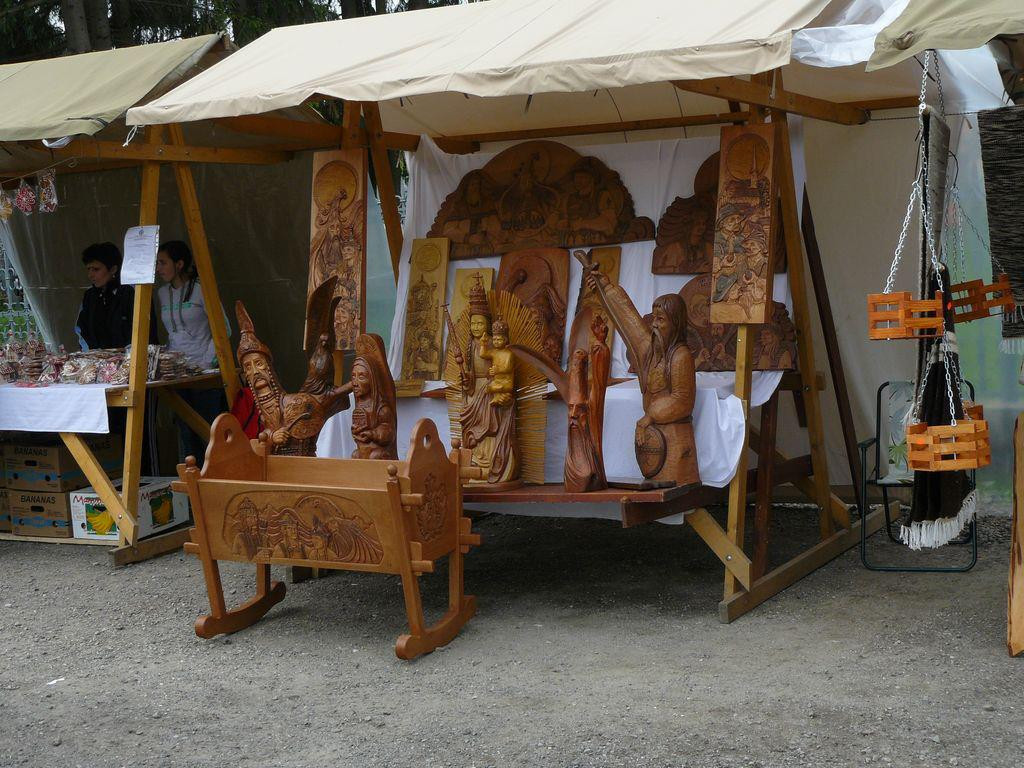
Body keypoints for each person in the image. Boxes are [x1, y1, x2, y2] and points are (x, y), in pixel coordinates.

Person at [154, 240, 229, 461]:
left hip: (205, 374)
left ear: (179, 264)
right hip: (178, 375)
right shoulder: (162, 293)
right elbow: (172, 334)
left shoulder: (201, 289)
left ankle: (218, 479)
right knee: (187, 435)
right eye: (157, 263)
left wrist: (207, 362)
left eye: (162, 263)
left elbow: (223, 328)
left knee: (211, 433)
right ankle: (192, 480)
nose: (158, 268)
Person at [75, 242, 136, 350]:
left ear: (113, 269)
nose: (90, 275)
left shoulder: (131, 293)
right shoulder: (89, 295)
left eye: (96, 269)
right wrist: (91, 354)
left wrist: (125, 355)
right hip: (95, 358)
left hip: (129, 358)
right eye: (88, 269)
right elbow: (81, 329)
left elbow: (140, 331)